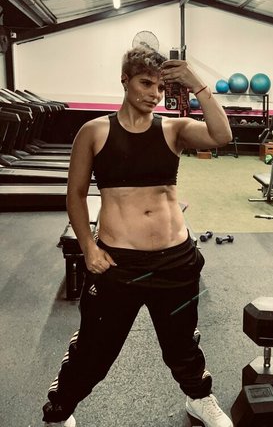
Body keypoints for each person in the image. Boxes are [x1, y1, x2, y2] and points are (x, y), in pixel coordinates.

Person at [42, 47, 233, 427]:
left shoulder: (173, 129)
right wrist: (88, 248)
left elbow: (221, 135)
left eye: (160, 87)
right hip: (118, 264)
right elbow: (75, 195)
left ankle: (199, 398)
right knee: (94, 350)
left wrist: (195, 83)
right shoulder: (94, 132)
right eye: (146, 84)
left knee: (182, 343)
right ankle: (58, 412)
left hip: (176, 260)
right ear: (125, 80)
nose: (154, 94)